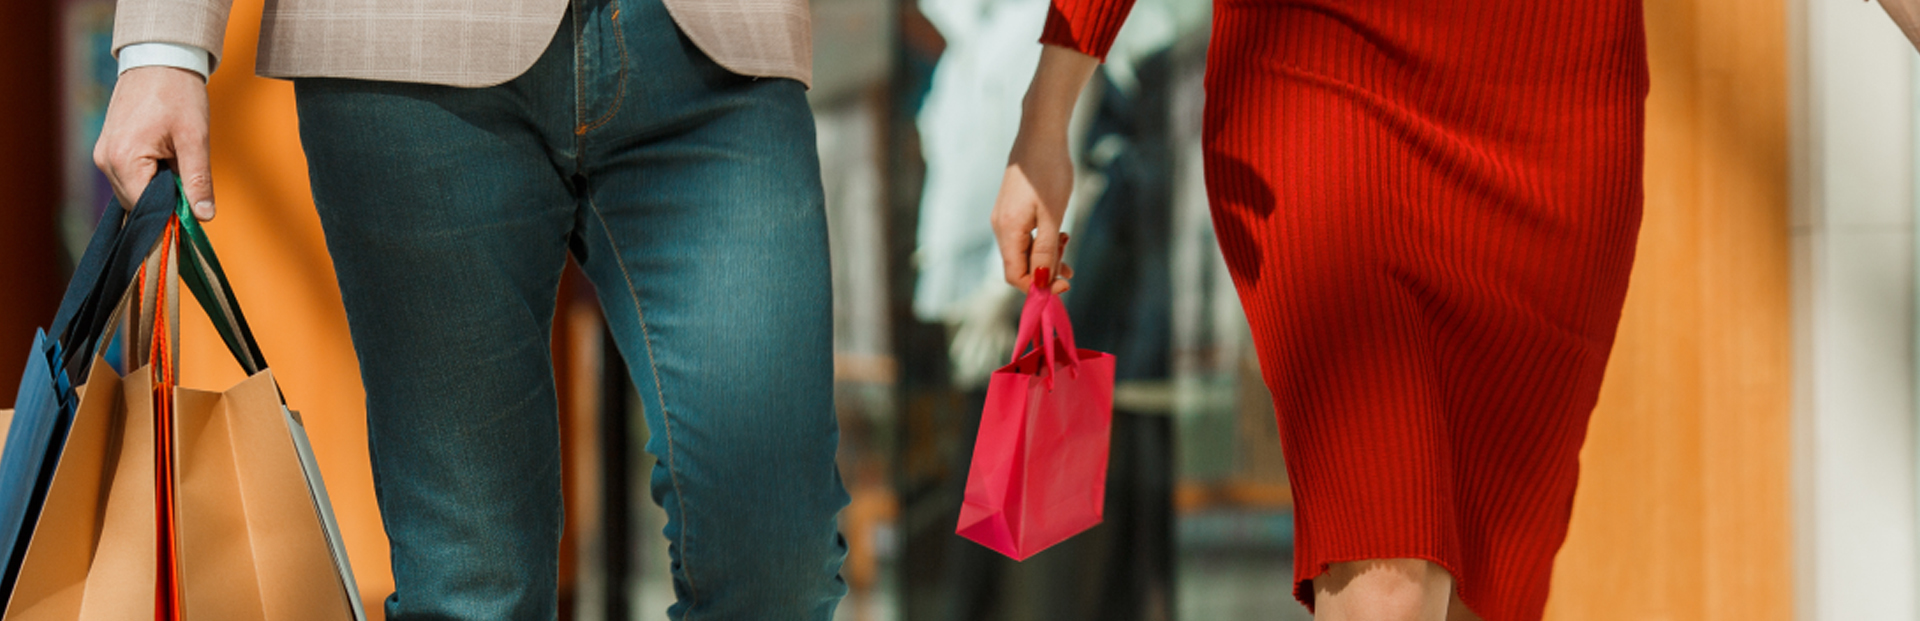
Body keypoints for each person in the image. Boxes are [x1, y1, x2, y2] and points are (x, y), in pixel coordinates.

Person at [92, 0, 849, 619]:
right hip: (408, 52)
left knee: (779, 559)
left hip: (712, 49)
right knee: (472, 583)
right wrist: (164, 43)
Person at [992, 1, 1649, 620]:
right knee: (1387, 577)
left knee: (1489, 577)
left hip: (1557, 86)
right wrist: (1046, 114)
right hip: (1319, 66)